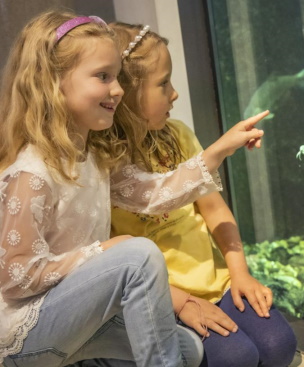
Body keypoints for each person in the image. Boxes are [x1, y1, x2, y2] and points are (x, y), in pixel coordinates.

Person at [0, 10, 269, 367]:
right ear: (53, 82)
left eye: (116, 76)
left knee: (191, 348)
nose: (118, 89)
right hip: (26, 334)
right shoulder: (30, 173)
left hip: (81, 322)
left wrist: (218, 151)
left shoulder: (92, 158)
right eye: (103, 76)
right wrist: (102, 251)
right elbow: (17, 278)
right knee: (136, 254)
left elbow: (156, 195)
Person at [108, 22, 297, 367]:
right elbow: (116, 262)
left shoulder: (177, 135)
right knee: (237, 358)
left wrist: (239, 272)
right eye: (163, 83)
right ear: (127, 92)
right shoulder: (106, 162)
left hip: (218, 282)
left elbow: (214, 209)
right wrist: (180, 302)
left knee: (279, 345)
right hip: (164, 297)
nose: (174, 93)